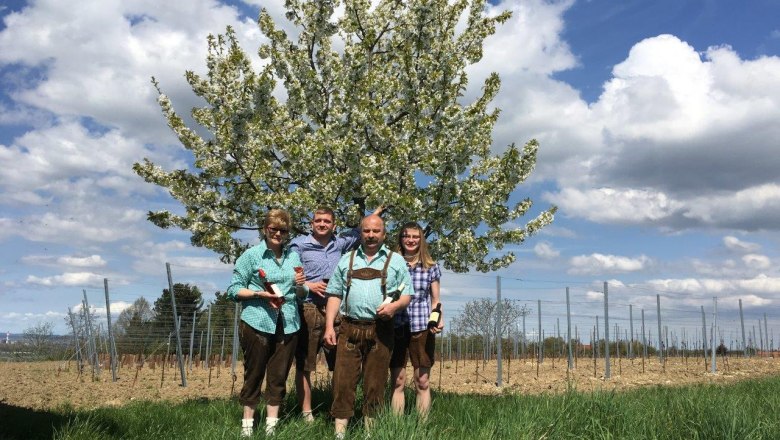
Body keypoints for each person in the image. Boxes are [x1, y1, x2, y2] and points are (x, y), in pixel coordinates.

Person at [290, 206, 383, 422]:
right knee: (305, 365)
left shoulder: (340, 243)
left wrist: (375, 214)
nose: (322, 224)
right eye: (318, 220)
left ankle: (338, 411)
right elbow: (291, 272)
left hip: (337, 310)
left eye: (327, 221)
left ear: (334, 225)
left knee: (341, 365)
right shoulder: (299, 245)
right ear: (311, 223)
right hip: (309, 308)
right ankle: (306, 413)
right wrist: (310, 286)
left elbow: (362, 229)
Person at [323, 214, 413, 438]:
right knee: (343, 382)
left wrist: (394, 308)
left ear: (384, 234)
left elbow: (406, 295)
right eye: (366, 231)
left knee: (375, 383)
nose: (371, 236)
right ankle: (340, 434)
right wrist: (328, 327)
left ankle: (370, 433)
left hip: (381, 330)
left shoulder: (396, 260)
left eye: (376, 231)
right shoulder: (347, 259)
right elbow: (334, 294)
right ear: (360, 233)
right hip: (348, 328)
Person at [227, 209, 307, 437]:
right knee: (254, 374)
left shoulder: (293, 256)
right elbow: (233, 289)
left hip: (289, 322)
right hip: (257, 322)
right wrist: (259, 295)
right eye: (274, 229)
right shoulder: (251, 256)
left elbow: (301, 293)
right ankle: (247, 428)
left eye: (283, 230)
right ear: (265, 229)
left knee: (278, 376)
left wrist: (302, 285)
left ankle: (272, 429)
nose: (278, 234)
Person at [389, 222, 443, 419]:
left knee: (422, 380)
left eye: (415, 236)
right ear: (400, 239)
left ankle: (423, 426)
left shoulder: (430, 267)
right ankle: (395, 426)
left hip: (421, 327)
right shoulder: (392, 264)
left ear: (421, 240)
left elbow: (436, 300)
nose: (411, 240)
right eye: (406, 236)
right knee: (398, 380)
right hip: (396, 326)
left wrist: (438, 318)